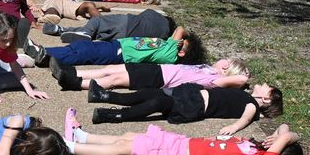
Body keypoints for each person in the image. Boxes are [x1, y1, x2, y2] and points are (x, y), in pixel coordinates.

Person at [61, 108, 304, 155]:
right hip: (182, 144)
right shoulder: (258, 153)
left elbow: (286, 133)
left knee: (123, 149)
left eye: (280, 147)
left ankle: (68, 147)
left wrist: (289, 138)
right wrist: (281, 137)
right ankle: (80, 136)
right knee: (129, 137)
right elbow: (282, 131)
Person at [89, 83, 283, 135]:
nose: (264, 83)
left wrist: (233, 127)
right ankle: (104, 95)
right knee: (149, 93)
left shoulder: (251, 105)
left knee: (158, 103)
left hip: (193, 106)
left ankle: (114, 115)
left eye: (268, 86)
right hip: (191, 94)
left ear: (266, 98)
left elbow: (246, 118)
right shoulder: (246, 93)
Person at [52, 58, 250, 93]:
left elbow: (240, 80)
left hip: (159, 79)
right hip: (156, 69)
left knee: (114, 80)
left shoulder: (214, 80)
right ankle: (71, 72)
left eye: (227, 62)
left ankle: (75, 83)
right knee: (113, 69)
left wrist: (243, 75)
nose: (224, 59)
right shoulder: (206, 68)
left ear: (227, 70)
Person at [24, 29, 193, 68]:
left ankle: (46, 56)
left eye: (183, 42)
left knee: (84, 53)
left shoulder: (171, 54)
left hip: (120, 53)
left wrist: (182, 39)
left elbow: (180, 29)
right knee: (81, 47)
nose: (180, 39)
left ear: (182, 52)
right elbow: (177, 33)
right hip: (117, 46)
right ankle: (44, 50)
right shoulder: (169, 46)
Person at [42, 8, 174, 42]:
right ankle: (61, 29)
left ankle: (85, 33)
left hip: (127, 22)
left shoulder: (157, 16)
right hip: (125, 38)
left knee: (97, 21)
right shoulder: (164, 35)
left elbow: (144, 14)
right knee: (97, 32)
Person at [37, 0, 111, 24]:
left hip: (69, 2)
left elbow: (91, 4)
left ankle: (104, 23)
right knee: (53, 8)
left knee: (88, 4)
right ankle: (50, 17)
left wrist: (101, 6)